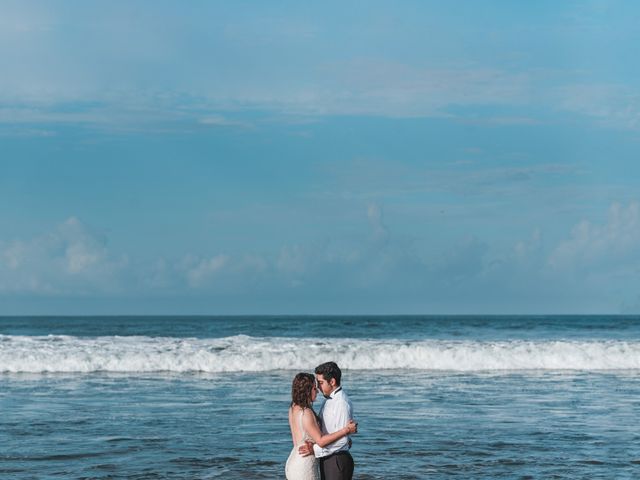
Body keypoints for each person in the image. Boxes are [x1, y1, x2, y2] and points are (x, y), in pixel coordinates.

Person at [286, 372, 357, 480]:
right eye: (314, 388)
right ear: (306, 391)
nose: (318, 391)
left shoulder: (293, 408)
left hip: (294, 459)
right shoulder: (306, 412)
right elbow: (321, 441)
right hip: (304, 464)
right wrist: (346, 430)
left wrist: (344, 441)